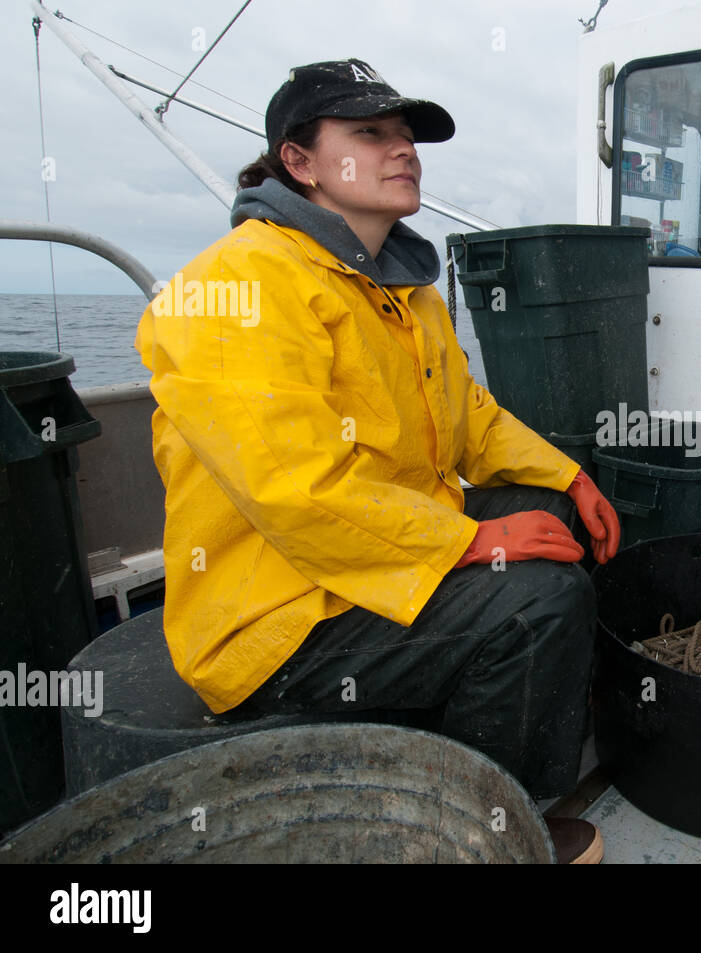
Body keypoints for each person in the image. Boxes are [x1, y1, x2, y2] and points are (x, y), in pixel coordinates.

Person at [135, 59, 619, 864]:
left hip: (368, 560)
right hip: (282, 611)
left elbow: (472, 419)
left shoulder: (405, 289)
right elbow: (295, 489)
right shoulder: (235, 286)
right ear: (299, 162)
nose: (403, 151)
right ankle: (489, 827)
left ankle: (470, 733)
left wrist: (568, 476)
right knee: (540, 597)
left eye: (406, 136)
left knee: (554, 514)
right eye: (370, 133)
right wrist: (470, 543)